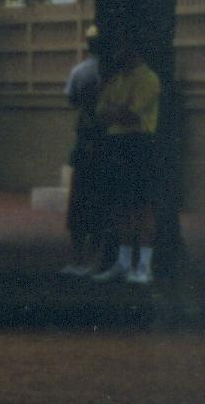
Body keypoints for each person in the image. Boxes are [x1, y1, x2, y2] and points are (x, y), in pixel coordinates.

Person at [86, 31, 163, 285]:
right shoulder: (117, 80)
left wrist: (115, 112)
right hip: (117, 143)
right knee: (120, 206)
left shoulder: (148, 79)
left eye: (123, 48)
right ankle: (123, 262)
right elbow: (101, 112)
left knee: (142, 206)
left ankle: (143, 267)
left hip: (139, 143)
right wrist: (117, 113)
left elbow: (131, 115)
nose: (118, 54)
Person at [58, 31, 108, 275]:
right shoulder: (113, 73)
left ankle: (78, 255)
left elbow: (72, 100)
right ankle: (98, 253)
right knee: (103, 197)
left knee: (79, 198)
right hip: (108, 140)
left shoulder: (80, 71)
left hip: (86, 137)